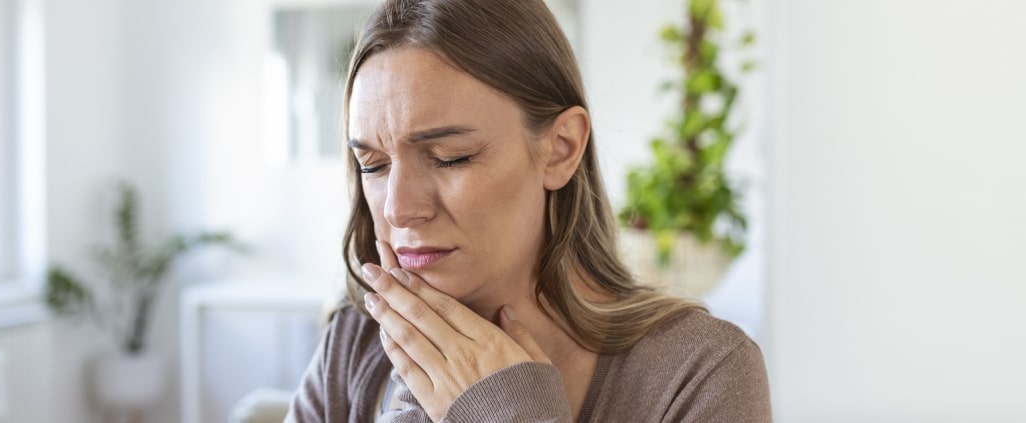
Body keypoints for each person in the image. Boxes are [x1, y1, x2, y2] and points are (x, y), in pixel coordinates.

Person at [286, 0, 772, 421]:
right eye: (372, 164)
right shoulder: (353, 346)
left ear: (561, 148)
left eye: (450, 156)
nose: (398, 208)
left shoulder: (701, 372)